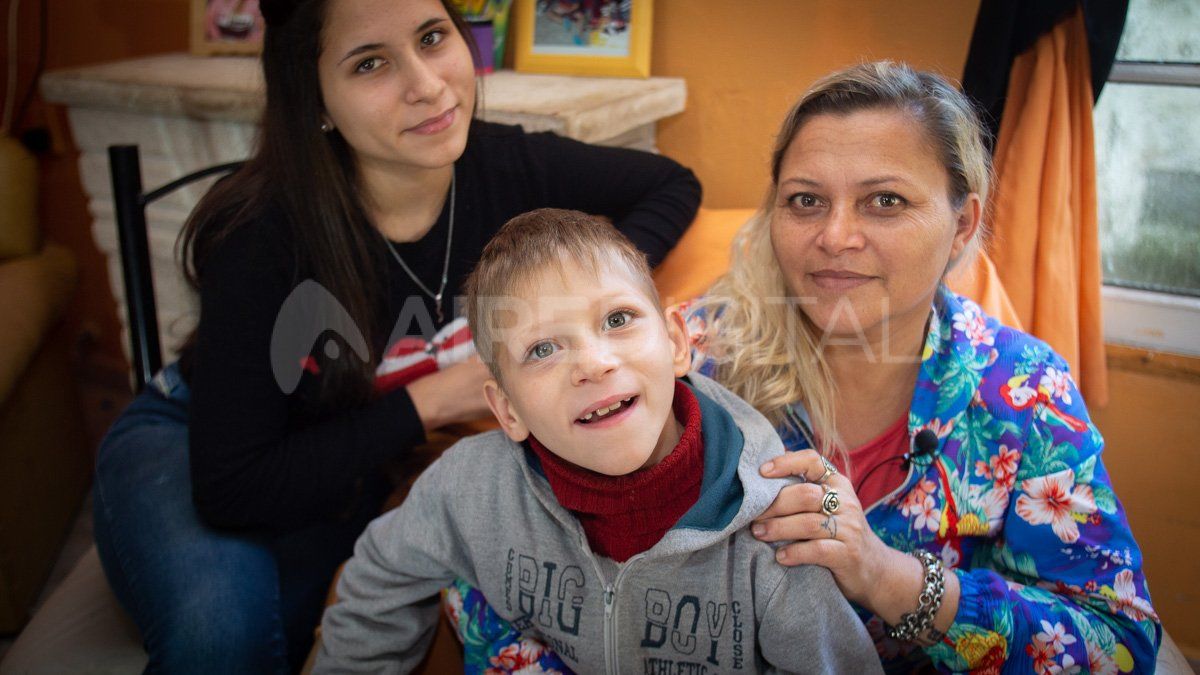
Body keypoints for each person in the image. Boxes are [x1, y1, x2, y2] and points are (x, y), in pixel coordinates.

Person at [451, 62, 1161, 673]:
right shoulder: (683, 354)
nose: (835, 236)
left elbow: (1119, 645)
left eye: (885, 201)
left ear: (962, 225)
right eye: (806, 201)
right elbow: (488, 547)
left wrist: (886, 575)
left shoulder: (1023, 392)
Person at [91, 0, 700, 671]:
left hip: (354, 464)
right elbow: (233, 486)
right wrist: (435, 397)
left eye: (432, 37)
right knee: (222, 636)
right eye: (370, 63)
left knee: (322, 620)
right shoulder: (260, 238)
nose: (428, 85)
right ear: (314, 100)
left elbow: (672, 185)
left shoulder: (507, 164)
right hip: (198, 439)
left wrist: (578, 304)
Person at [316, 209, 882, 674]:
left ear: (677, 342)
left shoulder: (777, 528)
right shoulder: (470, 489)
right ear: (507, 409)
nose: (593, 363)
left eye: (617, 319)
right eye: (542, 350)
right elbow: (379, 578)